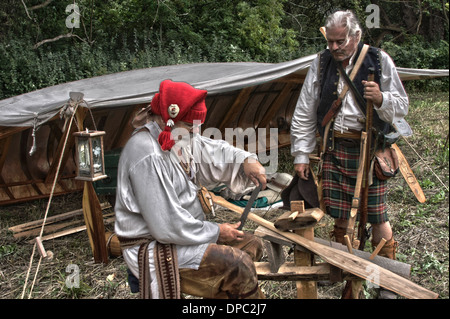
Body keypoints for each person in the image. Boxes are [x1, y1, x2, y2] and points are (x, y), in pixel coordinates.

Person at [290, 10, 408, 296]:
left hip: (371, 151)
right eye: (330, 41)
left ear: (356, 36)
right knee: (341, 216)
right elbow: (305, 111)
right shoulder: (320, 63)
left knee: (377, 216)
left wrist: (381, 98)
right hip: (335, 149)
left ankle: (387, 283)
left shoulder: (379, 60)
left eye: (339, 41)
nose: (333, 48)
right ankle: (347, 275)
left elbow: (402, 105)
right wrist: (302, 155)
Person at [114, 79, 267, 299]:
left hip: (184, 235)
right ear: (168, 119)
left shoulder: (178, 136)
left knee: (252, 245)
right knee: (237, 264)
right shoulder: (147, 154)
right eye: (190, 126)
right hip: (156, 246)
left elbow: (211, 149)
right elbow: (166, 226)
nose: (195, 132)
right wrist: (216, 232)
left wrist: (245, 160)